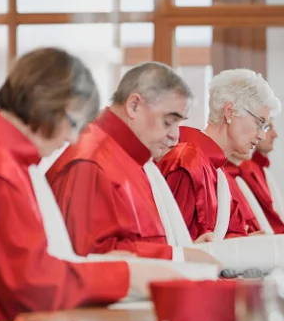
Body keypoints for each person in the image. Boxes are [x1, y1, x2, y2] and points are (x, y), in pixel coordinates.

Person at [0, 48, 178, 321]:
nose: (73, 139)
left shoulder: (2, 156)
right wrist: (126, 276)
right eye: (72, 123)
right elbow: (29, 287)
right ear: (46, 105)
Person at [46, 62, 216, 264]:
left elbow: (132, 241)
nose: (175, 136)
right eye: (169, 122)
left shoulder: (134, 158)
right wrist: (177, 256)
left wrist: (187, 248)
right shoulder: (90, 161)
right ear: (134, 106)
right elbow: (90, 261)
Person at [158, 69, 281, 240]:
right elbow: (176, 243)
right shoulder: (187, 161)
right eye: (259, 123)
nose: (261, 135)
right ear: (230, 111)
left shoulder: (215, 168)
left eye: (265, 127)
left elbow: (226, 236)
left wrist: (249, 242)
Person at [233, 119, 284, 238]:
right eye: (267, 128)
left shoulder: (257, 168)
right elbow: (271, 223)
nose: (275, 135)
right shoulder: (246, 170)